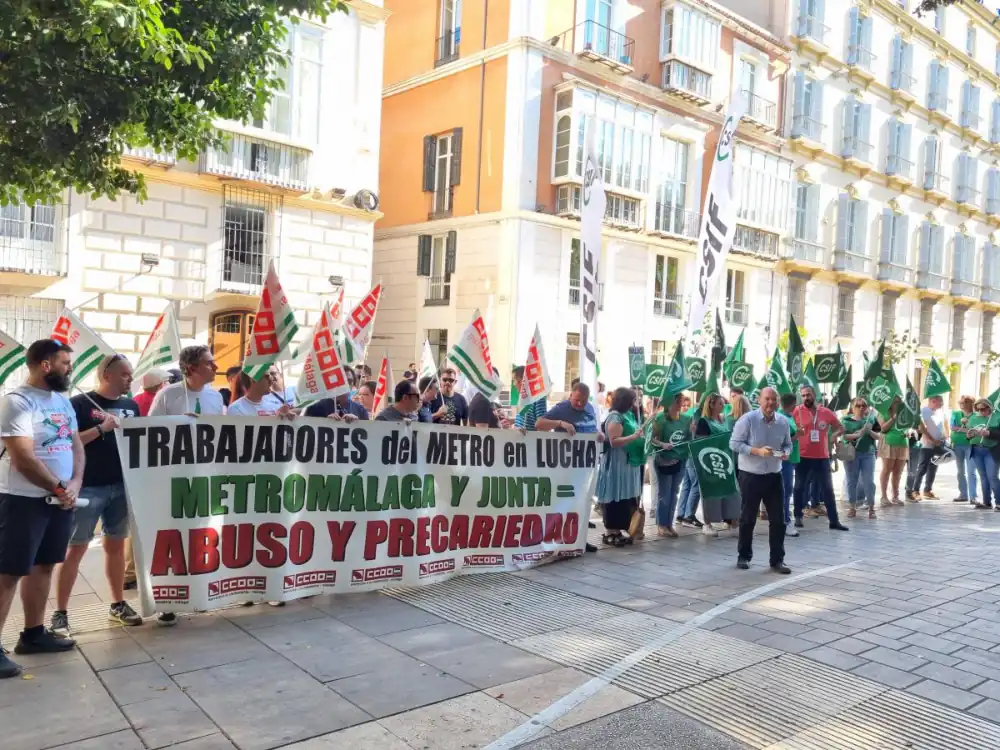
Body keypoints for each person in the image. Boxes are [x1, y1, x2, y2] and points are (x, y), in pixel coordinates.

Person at [0, 339, 84, 677]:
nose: (70, 369)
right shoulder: (16, 402)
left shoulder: (62, 402)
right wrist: (59, 487)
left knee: (44, 566)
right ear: (45, 364)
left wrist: (75, 484)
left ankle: (33, 635)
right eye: (65, 362)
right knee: (8, 573)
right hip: (22, 501)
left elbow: (76, 446)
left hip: (59, 500)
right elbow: (23, 458)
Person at [52, 355, 142, 635]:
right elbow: (68, 441)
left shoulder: (131, 405)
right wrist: (103, 428)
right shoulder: (79, 404)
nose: (130, 379)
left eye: (130, 374)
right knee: (75, 548)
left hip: (121, 485)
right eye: (125, 374)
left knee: (115, 546)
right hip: (88, 486)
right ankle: (60, 612)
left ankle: (117, 604)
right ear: (107, 375)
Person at [729, 387, 791, 574]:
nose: (770, 403)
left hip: (774, 475)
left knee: (778, 520)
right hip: (751, 475)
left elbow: (788, 443)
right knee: (748, 518)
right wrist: (756, 451)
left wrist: (786, 452)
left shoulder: (783, 422)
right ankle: (743, 556)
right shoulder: (747, 420)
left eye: (773, 399)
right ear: (759, 400)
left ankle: (777, 560)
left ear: (778, 401)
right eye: (767, 399)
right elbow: (734, 444)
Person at [792, 385, 848, 531]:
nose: (806, 398)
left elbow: (840, 427)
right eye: (803, 395)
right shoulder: (797, 411)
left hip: (822, 457)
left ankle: (834, 521)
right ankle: (798, 516)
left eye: (808, 395)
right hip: (803, 456)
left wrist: (835, 435)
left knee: (828, 489)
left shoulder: (825, 412)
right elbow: (788, 427)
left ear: (814, 395)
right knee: (799, 487)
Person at [594, 387, 644, 547]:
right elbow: (614, 440)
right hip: (616, 463)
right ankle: (610, 531)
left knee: (623, 498)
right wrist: (634, 436)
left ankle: (618, 530)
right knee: (614, 496)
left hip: (627, 463)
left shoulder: (627, 415)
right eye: (632, 400)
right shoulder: (615, 417)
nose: (634, 403)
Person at [695, 393, 741, 537]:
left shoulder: (724, 420)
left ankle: (733, 521)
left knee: (732, 492)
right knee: (711, 494)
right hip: (711, 461)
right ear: (712, 405)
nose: (723, 406)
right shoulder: (704, 421)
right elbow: (701, 442)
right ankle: (708, 523)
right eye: (720, 403)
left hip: (726, 460)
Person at [650, 393, 692, 538]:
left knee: (674, 493)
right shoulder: (659, 418)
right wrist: (662, 444)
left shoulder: (687, 419)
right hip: (664, 459)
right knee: (665, 494)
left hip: (680, 459)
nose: (679, 404)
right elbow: (651, 438)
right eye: (676, 401)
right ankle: (661, 524)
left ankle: (669, 523)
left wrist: (693, 431)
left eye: (680, 401)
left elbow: (689, 439)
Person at [149, 346, 225, 416]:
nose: (216, 367)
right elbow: (152, 426)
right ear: (191, 368)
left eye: (213, 362)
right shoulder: (166, 395)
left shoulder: (216, 396)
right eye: (208, 364)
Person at [841, 397, 880, 520]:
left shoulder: (871, 420)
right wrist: (858, 434)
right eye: (858, 406)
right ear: (852, 407)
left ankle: (871, 508)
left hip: (868, 453)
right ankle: (852, 507)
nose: (861, 408)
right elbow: (843, 436)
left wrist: (869, 432)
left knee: (869, 481)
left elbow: (879, 437)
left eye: (864, 405)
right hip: (852, 454)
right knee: (852, 481)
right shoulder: (846, 421)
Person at [911, 395, 946, 501]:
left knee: (933, 467)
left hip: (938, 444)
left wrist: (944, 438)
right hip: (927, 445)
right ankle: (915, 490)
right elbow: (922, 428)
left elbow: (942, 426)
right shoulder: (924, 411)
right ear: (933, 401)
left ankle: (927, 490)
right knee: (922, 468)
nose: (942, 404)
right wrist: (932, 440)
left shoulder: (939, 412)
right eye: (941, 402)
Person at [968, 399, 999, 510]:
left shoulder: (996, 417)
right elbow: (969, 434)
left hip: (991, 449)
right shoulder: (973, 418)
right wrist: (969, 435)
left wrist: (989, 433)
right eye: (978, 409)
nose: (981, 411)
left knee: (992, 476)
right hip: (977, 449)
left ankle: (999, 502)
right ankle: (987, 502)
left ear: (989, 407)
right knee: (984, 477)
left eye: (983, 409)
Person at [877, 399, 908, 507]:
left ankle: (895, 496)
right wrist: (893, 417)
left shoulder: (904, 413)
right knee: (887, 469)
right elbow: (882, 428)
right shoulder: (882, 412)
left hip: (902, 442)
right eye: (895, 401)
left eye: (899, 401)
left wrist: (909, 433)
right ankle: (883, 496)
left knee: (898, 471)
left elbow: (909, 426)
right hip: (888, 443)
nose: (898, 403)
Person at [778, 392, 800, 538]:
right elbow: (782, 441)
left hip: (791, 458)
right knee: (785, 491)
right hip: (784, 459)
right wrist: (798, 435)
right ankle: (785, 521)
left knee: (787, 491)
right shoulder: (781, 418)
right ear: (793, 404)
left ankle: (784, 519)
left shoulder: (790, 417)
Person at [228, 368, 293, 417]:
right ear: (253, 380)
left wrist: (284, 419)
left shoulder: (275, 406)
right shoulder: (236, 408)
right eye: (267, 376)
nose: (271, 379)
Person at [950, 396, 977, 504]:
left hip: (970, 445)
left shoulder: (976, 415)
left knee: (971, 471)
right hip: (957, 445)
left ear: (970, 403)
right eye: (960, 402)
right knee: (960, 471)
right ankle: (963, 494)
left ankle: (973, 496)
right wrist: (967, 430)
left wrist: (960, 429)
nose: (961, 404)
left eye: (964, 402)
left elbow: (975, 430)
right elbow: (952, 427)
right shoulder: (956, 413)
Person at [512, 366, 547, 431]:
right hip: (518, 439)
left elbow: (542, 425)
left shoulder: (538, 398)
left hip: (530, 440)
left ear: (523, 381)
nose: (514, 384)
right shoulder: (521, 398)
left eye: (515, 380)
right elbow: (523, 421)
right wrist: (511, 422)